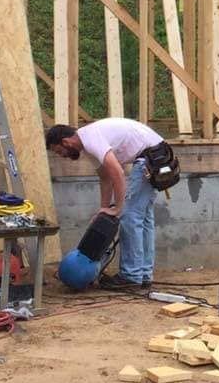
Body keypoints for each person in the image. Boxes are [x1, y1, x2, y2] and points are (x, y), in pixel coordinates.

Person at [46, 118, 166, 290]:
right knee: (143, 219)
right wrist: (103, 211)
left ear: (66, 142)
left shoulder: (91, 139)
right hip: (156, 155)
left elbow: (117, 172)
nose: (62, 156)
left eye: (59, 151)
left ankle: (131, 276)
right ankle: (143, 274)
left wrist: (117, 208)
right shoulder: (88, 143)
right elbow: (105, 177)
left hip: (151, 159)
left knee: (129, 216)